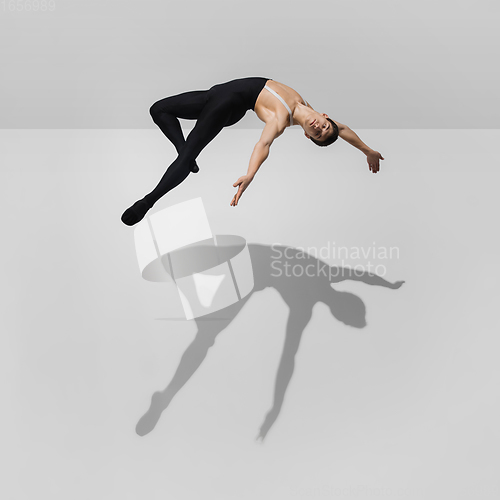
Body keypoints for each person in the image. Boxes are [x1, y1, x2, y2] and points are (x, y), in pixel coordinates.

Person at [121, 77, 384, 226]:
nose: (319, 127)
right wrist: (367, 150)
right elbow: (345, 128)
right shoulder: (308, 107)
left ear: (306, 134)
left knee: (189, 152)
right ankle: (185, 156)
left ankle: (147, 201)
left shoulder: (280, 120)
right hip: (217, 93)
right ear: (326, 117)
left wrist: (250, 174)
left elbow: (263, 145)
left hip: (228, 104)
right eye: (324, 126)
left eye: (317, 133)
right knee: (159, 109)